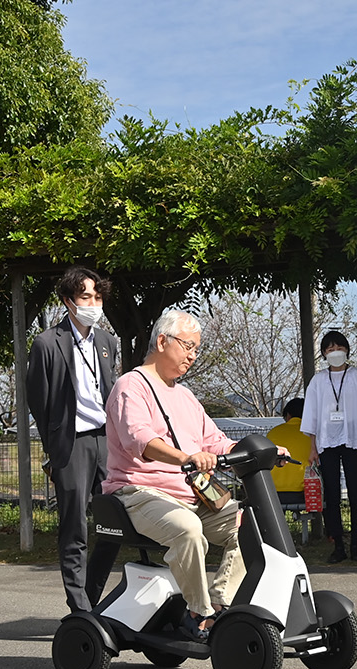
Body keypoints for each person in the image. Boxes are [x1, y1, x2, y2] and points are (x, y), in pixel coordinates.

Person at [102, 309, 245, 642]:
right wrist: (186, 458)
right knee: (189, 529)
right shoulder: (130, 387)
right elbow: (139, 440)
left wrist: (262, 449)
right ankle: (198, 612)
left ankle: (221, 605)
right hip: (139, 493)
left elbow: (216, 442)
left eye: (197, 348)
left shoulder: (185, 395)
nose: (193, 355)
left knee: (251, 526)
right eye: (188, 346)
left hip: (190, 496)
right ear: (163, 341)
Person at [26, 266, 123, 614]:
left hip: (106, 443)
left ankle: (92, 600)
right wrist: (54, 447)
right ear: (68, 301)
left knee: (115, 524)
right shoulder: (46, 343)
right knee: (75, 528)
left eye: (97, 297)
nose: (94, 304)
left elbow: (111, 391)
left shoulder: (107, 341)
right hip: (71, 445)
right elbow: (37, 399)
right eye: (86, 297)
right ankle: (79, 607)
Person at [301, 330, 357, 562]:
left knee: (356, 494)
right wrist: (313, 448)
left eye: (339, 348)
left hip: (352, 441)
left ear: (346, 350)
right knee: (332, 495)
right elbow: (311, 415)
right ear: (324, 353)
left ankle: (356, 545)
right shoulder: (318, 381)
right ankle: (338, 546)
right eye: (330, 350)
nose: (335, 353)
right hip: (326, 443)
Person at [267, 397, 311, 496]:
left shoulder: (273, 432)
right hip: (305, 489)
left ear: (288, 415)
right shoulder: (312, 434)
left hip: (273, 489)